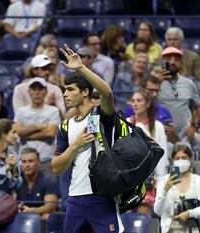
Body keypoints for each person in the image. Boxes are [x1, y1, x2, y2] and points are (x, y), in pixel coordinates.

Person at [51, 44, 122, 232]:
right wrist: (74, 146)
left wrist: (81, 68)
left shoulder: (101, 115)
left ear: (85, 92)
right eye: (65, 90)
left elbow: (107, 93)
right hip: (74, 198)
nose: (65, 94)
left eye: (71, 90)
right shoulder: (65, 126)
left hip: (100, 196)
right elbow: (56, 167)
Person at [14, 77, 60, 172]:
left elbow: (51, 132)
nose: (37, 92)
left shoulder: (53, 111)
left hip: (46, 160)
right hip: (24, 160)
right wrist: (39, 126)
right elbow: (18, 131)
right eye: (34, 89)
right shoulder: (21, 111)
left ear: (46, 92)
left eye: (40, 89)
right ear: (29, 92)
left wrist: (26, 134)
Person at [154, 144, 200, 233]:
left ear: (190, 159)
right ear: (172, 160)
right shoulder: (164, 181)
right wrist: (165, 189)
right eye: (177, 158)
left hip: (194, 228)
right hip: (170, 229)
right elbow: (157, 211)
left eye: (184, 157)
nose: (181, 161)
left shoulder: (198, 180)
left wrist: (190, 213)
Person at [157, 47, 200, 136]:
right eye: (168, 59)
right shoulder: (153, 83)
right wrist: (157, 83)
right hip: (161, 135)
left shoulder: (189, 83)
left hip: (186, 136)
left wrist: (193, 126)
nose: (172, 62)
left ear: (181, 64)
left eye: (176, 60)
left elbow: (197, 107)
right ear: (162, 63)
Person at [128, 89, 169, 179]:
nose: (135, 104)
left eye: (139, 101)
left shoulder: (157, 126)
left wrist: (159, 180)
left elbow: (162, 155)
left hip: (150, 178)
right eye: (133, 101)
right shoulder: (124, 123)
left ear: (148, 103)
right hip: (128, 176)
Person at [17, 147, 58, 220]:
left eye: (31, 161)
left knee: (47, 216)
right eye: (24, 161)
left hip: (40, 217)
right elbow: (11, 202)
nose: (27, 165)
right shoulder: (16, 181)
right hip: (20, 217)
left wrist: (31, 211)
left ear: (39, 162)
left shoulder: (48, 180)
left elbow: (50, 207)